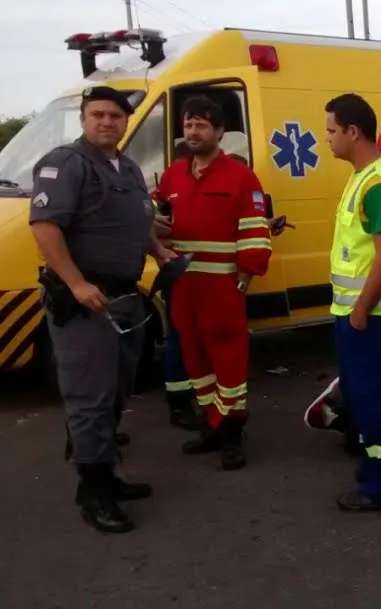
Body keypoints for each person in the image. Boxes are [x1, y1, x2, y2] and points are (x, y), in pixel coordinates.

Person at [29, 86, 177, 533]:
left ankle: (107, 474)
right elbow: (45, 226)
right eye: (98, 114)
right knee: (89, 398)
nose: (107, 122)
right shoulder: (66, 164)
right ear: (84, 119)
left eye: (115, 115)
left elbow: (137, 220)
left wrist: (158, 250)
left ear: (126, 121)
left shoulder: (128, 168)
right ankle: (92, 492)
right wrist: (76, 283)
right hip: (85, 301)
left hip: (125, 298)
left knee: (116, 392)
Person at [157, 95, 273, 470]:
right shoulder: (173, 174)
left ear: (220, 132)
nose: (193, 131)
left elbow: (255, 232)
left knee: (229, 361)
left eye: (201, 125)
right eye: (188, 124)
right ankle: (212, 423)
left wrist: (243, 279)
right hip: (184, 287)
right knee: (195, 360)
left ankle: (232, 432)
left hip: (221, 288)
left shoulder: (241, 176)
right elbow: (159, 216)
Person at [325, 92, 381, 512]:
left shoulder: (377, 185)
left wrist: (361, 310)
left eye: (331, 130)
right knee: (362, 397)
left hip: (370, 316)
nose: (327, 138)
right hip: (355, 312)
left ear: (353, 131)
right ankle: (372, 465)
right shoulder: (362, 175)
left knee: (375, 398)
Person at [151, 204, 204, 431]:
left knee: (197, 342)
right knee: (179, 339)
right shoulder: (171, 181)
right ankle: (180, 404)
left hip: (204, 274)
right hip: (180, 273)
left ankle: (201, 402)